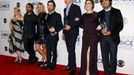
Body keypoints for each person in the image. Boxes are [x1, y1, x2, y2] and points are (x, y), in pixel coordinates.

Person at [99, 0, 123, 75]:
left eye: (106, 1)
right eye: (102, 2)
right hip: (103, 39)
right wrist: (101, 31)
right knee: (104, 57)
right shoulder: (100, 13)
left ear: (110, 2)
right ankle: (106, 73)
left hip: (113, 38)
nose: (104, 3)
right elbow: (98, 26)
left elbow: (120, 25)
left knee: (113, 58)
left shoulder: (116, 11)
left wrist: (111, 32)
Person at [80, 0, 99, 75]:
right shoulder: (83, 15)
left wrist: (100, 26)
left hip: (94, 36)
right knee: (85, 54)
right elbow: (81, 25)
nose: (87, 5)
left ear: (92, 5)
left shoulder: (96, 14)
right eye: (86, 3)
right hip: (85, 36)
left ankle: (88, 71)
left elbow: (101, 24)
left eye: (89, 3)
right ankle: (85, 71)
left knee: (90, 53)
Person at [42, 0, 63, 71]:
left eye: (51, 5)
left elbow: (61, 26)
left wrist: (55, 29)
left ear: (54, 6)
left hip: (54, 36)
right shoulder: (46, 15)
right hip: (47, 36)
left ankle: (53, 65)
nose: (49, 7)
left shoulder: (58, 15)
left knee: (53, 51)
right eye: (48, 5)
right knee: (48, 51)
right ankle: (48, 64)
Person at [62, 0, 81, 75]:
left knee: (71, 50)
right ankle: (70, 65)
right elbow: (65, 21)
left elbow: (79, 20)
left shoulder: (76, 7)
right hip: (66, 32)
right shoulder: (65, 9)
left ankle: (73, 68)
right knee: (69, 50)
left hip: (73, 32)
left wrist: (71, 26)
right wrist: (63, 32)